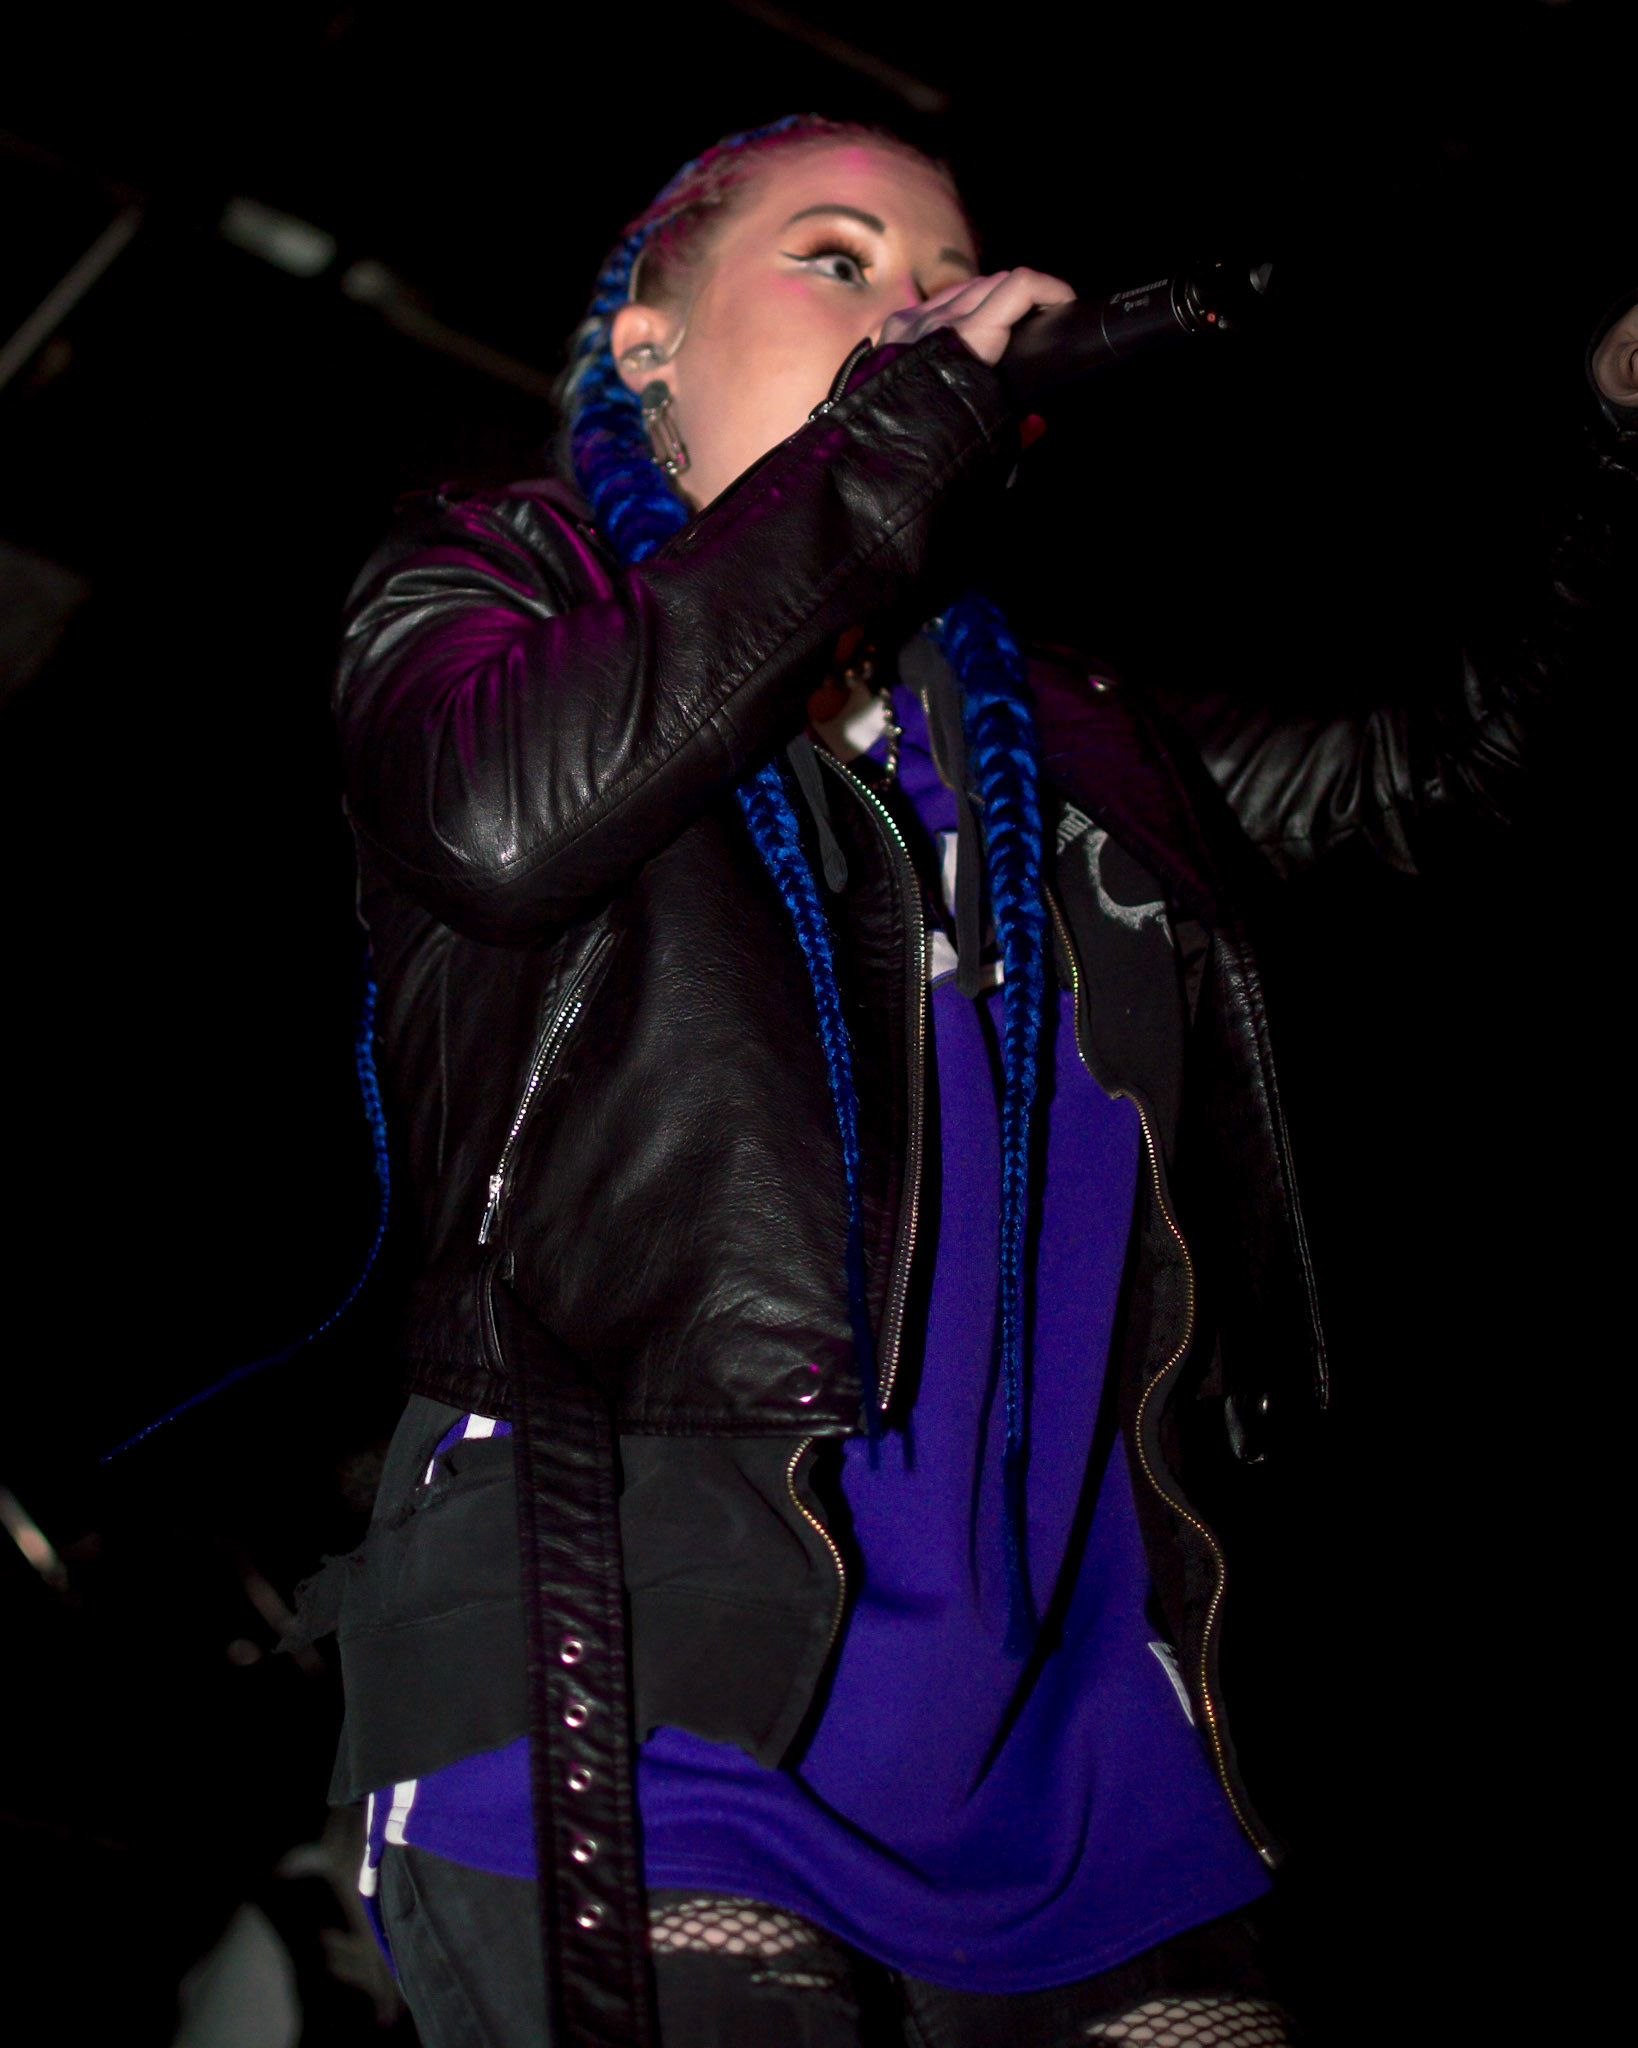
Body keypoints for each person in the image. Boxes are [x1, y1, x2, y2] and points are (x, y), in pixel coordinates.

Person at [300, 114, 1637, 2048]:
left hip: (1074, 1727)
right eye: (839, 258)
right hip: (657, 1660)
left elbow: (1442, 787)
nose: (924, 306)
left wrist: (1621, 446)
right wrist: (901, 431)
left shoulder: (1059, 722)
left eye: (947, 275)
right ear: (646, 340)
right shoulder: (498, 585)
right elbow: (504, 825)